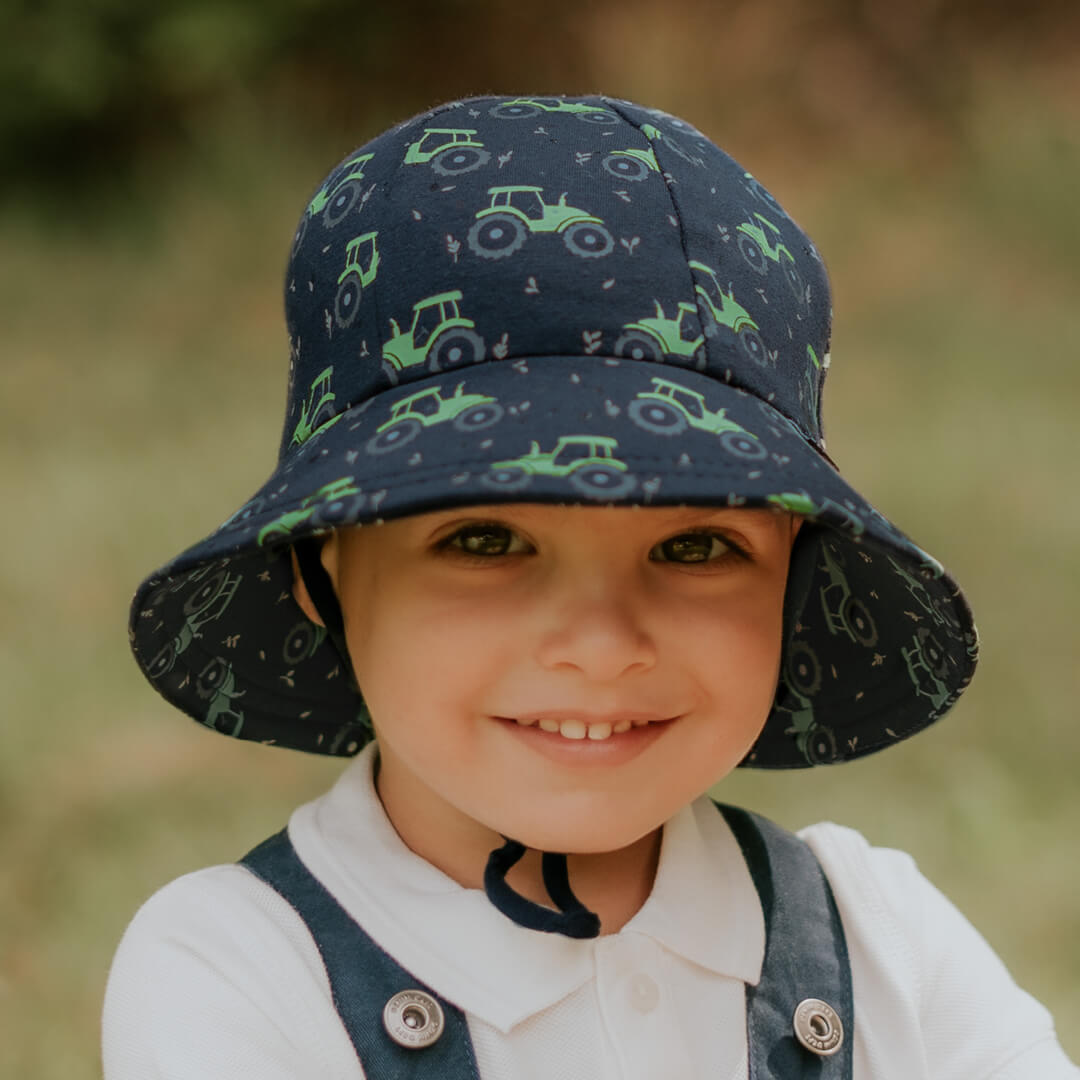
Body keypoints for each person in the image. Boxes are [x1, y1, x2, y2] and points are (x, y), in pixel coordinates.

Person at [102, 94, 1078, 1078]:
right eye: (484, 539)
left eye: (696, 548)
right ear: (319, 567)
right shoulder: (237, 970)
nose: (602, 646)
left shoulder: (880, 937)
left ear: (794, 567)